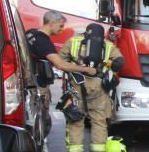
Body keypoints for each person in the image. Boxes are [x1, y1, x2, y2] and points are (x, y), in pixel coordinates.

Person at [25, 11, 99, 140]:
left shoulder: (30, 33)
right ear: (52, 23)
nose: (62, 29)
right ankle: (40, 151)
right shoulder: (43, 41)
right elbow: (61, 65)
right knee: (41, 120)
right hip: (39, 86)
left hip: (29, 83)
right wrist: (86, 69)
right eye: (60, 26)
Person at [59, 24, 124, 152]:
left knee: (75, 121)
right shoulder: (108, 45)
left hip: (77, 85)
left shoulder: (73, 42)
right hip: (99, 87)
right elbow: (120, 63)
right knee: (99, 122)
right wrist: (108, 65)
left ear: (85, 33)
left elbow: (60, 60)